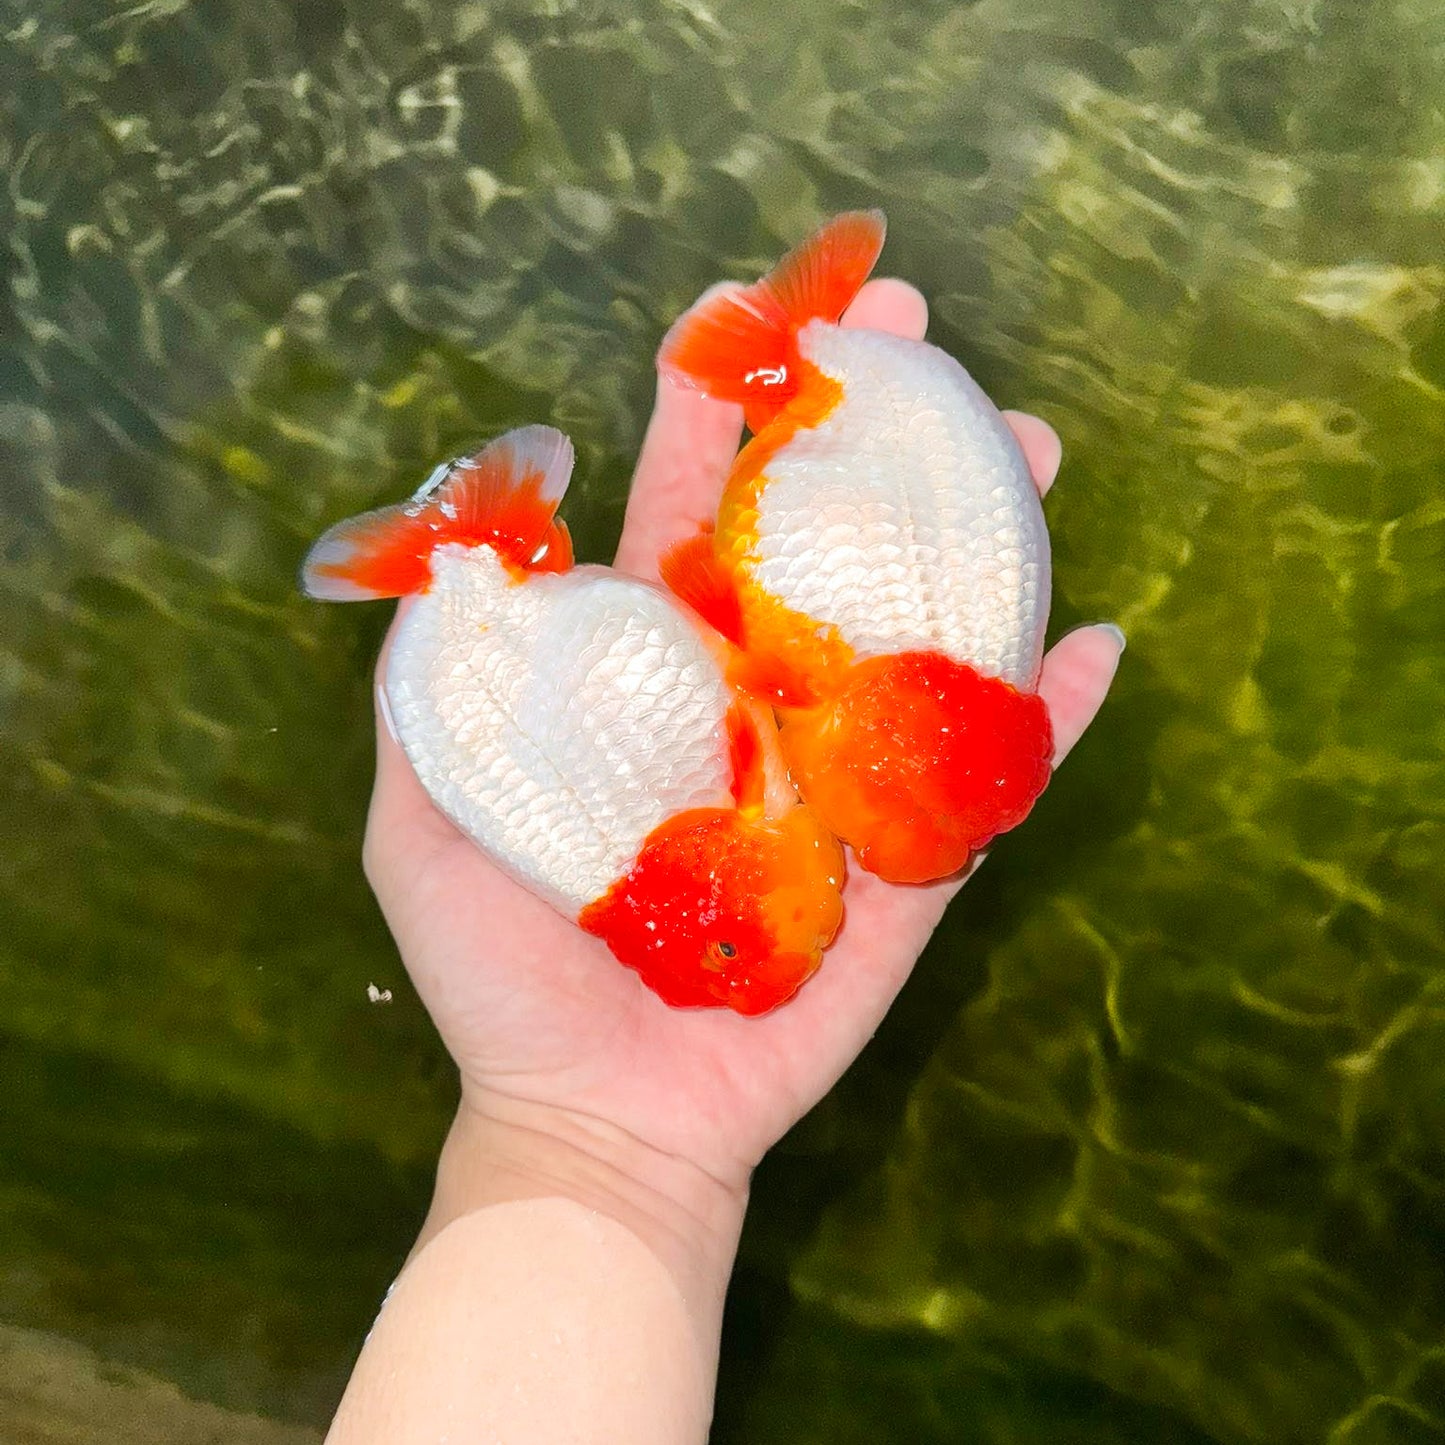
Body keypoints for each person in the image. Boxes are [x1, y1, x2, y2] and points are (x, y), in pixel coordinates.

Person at [325, 277, 1124, 1443]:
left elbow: (727, 641)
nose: (855, 892)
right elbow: (723, 641)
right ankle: (490, 551)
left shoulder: (750, 781)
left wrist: (578, 1150)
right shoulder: (752, 770)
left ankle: (494, 549)